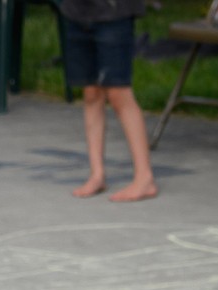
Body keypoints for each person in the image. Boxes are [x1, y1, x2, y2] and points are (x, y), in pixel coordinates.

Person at [60, 0, 157, 202]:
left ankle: (144, 177)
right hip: (77, 12)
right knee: (91, 92)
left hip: (114, 12)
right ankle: (97, 175)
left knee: (118, 93)